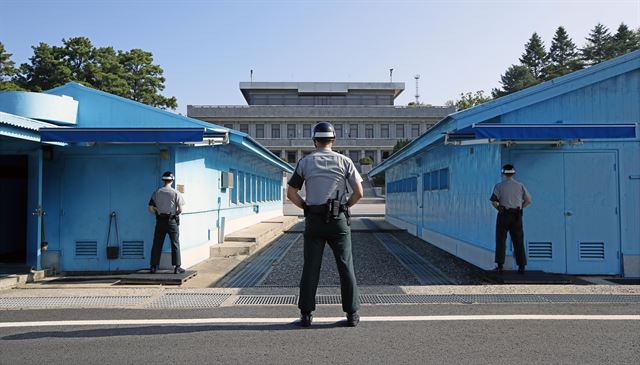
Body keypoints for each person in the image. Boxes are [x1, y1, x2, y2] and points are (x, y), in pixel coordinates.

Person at [287, 121, 364, 328]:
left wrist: (305, 207)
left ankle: (306, 314)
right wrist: (345, 207)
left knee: (311, 266)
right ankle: (352, 314)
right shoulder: (345, 161)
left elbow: (291, 192)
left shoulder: (305, 162)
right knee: (345, 265)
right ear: (333, 140)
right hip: (338, 220)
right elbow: (359, 193)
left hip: (314, 219)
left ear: (314, 141)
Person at [490, 164, 532, 274]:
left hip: (503, 214)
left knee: (501, 240)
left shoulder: (499, 186)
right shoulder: (520, 185)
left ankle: (500, 265)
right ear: (513, 173)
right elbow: (528, 200)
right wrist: (520, 207)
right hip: (517, 215)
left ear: (503, 173)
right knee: (518, 240)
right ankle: (521, 266)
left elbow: (494, 201)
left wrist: (499, 208)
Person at [148, 171, 186, 274]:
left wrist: (157, 211)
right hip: (171, 220)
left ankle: (153, 267)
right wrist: (175, 214)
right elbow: (180, 209)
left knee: (157, 243)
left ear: (163, 180)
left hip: (160, 221)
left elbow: (150, 208)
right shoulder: (175, 193)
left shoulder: (157, 192)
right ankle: (177, 267)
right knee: (175, 243)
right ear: (172, 180)